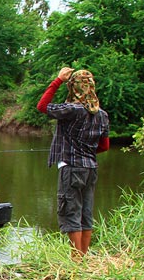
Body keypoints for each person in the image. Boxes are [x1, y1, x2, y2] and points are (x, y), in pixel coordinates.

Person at [37, 67, 110, 259]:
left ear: (74, 87)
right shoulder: (102, 114)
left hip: (71, 168)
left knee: (71, 212)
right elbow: (104, 146)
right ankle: (83, 257)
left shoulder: (71, 110)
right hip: (91, 168)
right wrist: (86, 151)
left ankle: (76, 260)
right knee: (86, 213)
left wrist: (58, 80)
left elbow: (42, 106)